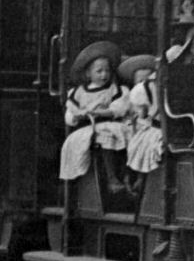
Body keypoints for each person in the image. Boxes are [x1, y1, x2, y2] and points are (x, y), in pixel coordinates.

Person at [59, 41, 130, 193]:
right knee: (105, 135)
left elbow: (118, 108)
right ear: (88, 74)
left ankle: (126, 176)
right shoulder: (78, 92)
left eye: (107, 71)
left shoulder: (115, 89)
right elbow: (70, 114)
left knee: (128, 133)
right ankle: (112, 179)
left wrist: (101, 113)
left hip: (109, 122)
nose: (104, 74)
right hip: (87, 127)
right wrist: (77, 116)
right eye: (99, 71)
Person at [120, 53, 163, 183]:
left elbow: (148, 113)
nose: (143, 84)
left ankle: (142, 178)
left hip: (146, 124)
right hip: (132, 123)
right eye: (140, 81)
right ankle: (129, 176)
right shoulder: (131, 95)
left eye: (147, 80)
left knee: (145, 141)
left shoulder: (153, 93)